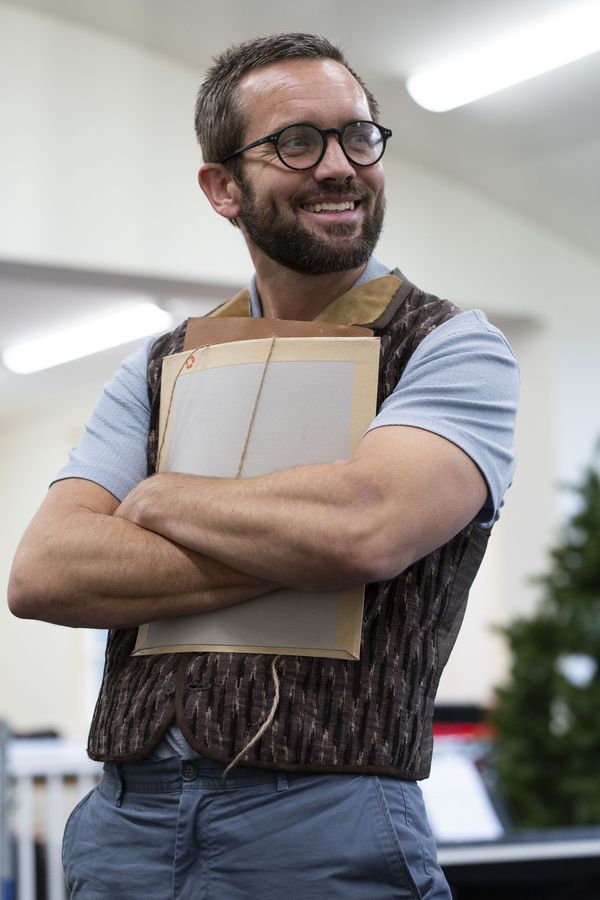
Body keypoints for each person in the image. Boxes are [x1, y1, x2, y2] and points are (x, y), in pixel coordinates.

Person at [8, 32, 519, 900]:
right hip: (126, 821)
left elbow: (365, 528)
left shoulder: (454, 348)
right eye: (296, 142)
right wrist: (295, 543)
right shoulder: (158, 363)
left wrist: (161, 497)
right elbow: (45, 571)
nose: (339, 165)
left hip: (327, 820)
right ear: (222, 187)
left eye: (359, 136)